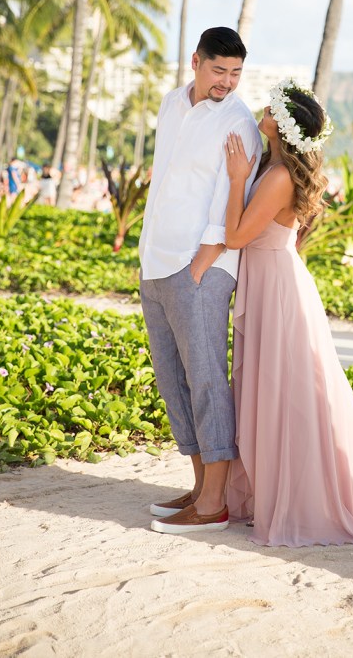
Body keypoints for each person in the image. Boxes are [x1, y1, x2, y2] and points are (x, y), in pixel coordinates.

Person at [223, 78, 353, 547]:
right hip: (278, 281)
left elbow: (235, 238)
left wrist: (234, 180)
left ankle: (300, 499)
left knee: (289, 394)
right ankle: (266, 492)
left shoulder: (277, 177)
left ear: (283, 126)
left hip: (277, 288)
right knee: (279, 390)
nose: (261, 110)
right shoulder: (276, 168)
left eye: (271, 108)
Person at [143, 27, 262, 535]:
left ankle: (214, 503)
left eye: (235, 73)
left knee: (208, 379)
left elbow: (227, 197)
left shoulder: (239, 120)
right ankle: (198, 489)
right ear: (196, 61)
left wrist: (203, 260)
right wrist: (146, 251)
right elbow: (163, 178)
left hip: (200, 268)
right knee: (173, 381)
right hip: (156, 260)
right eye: (219, 70)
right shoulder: (172, 104)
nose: (227, 82)